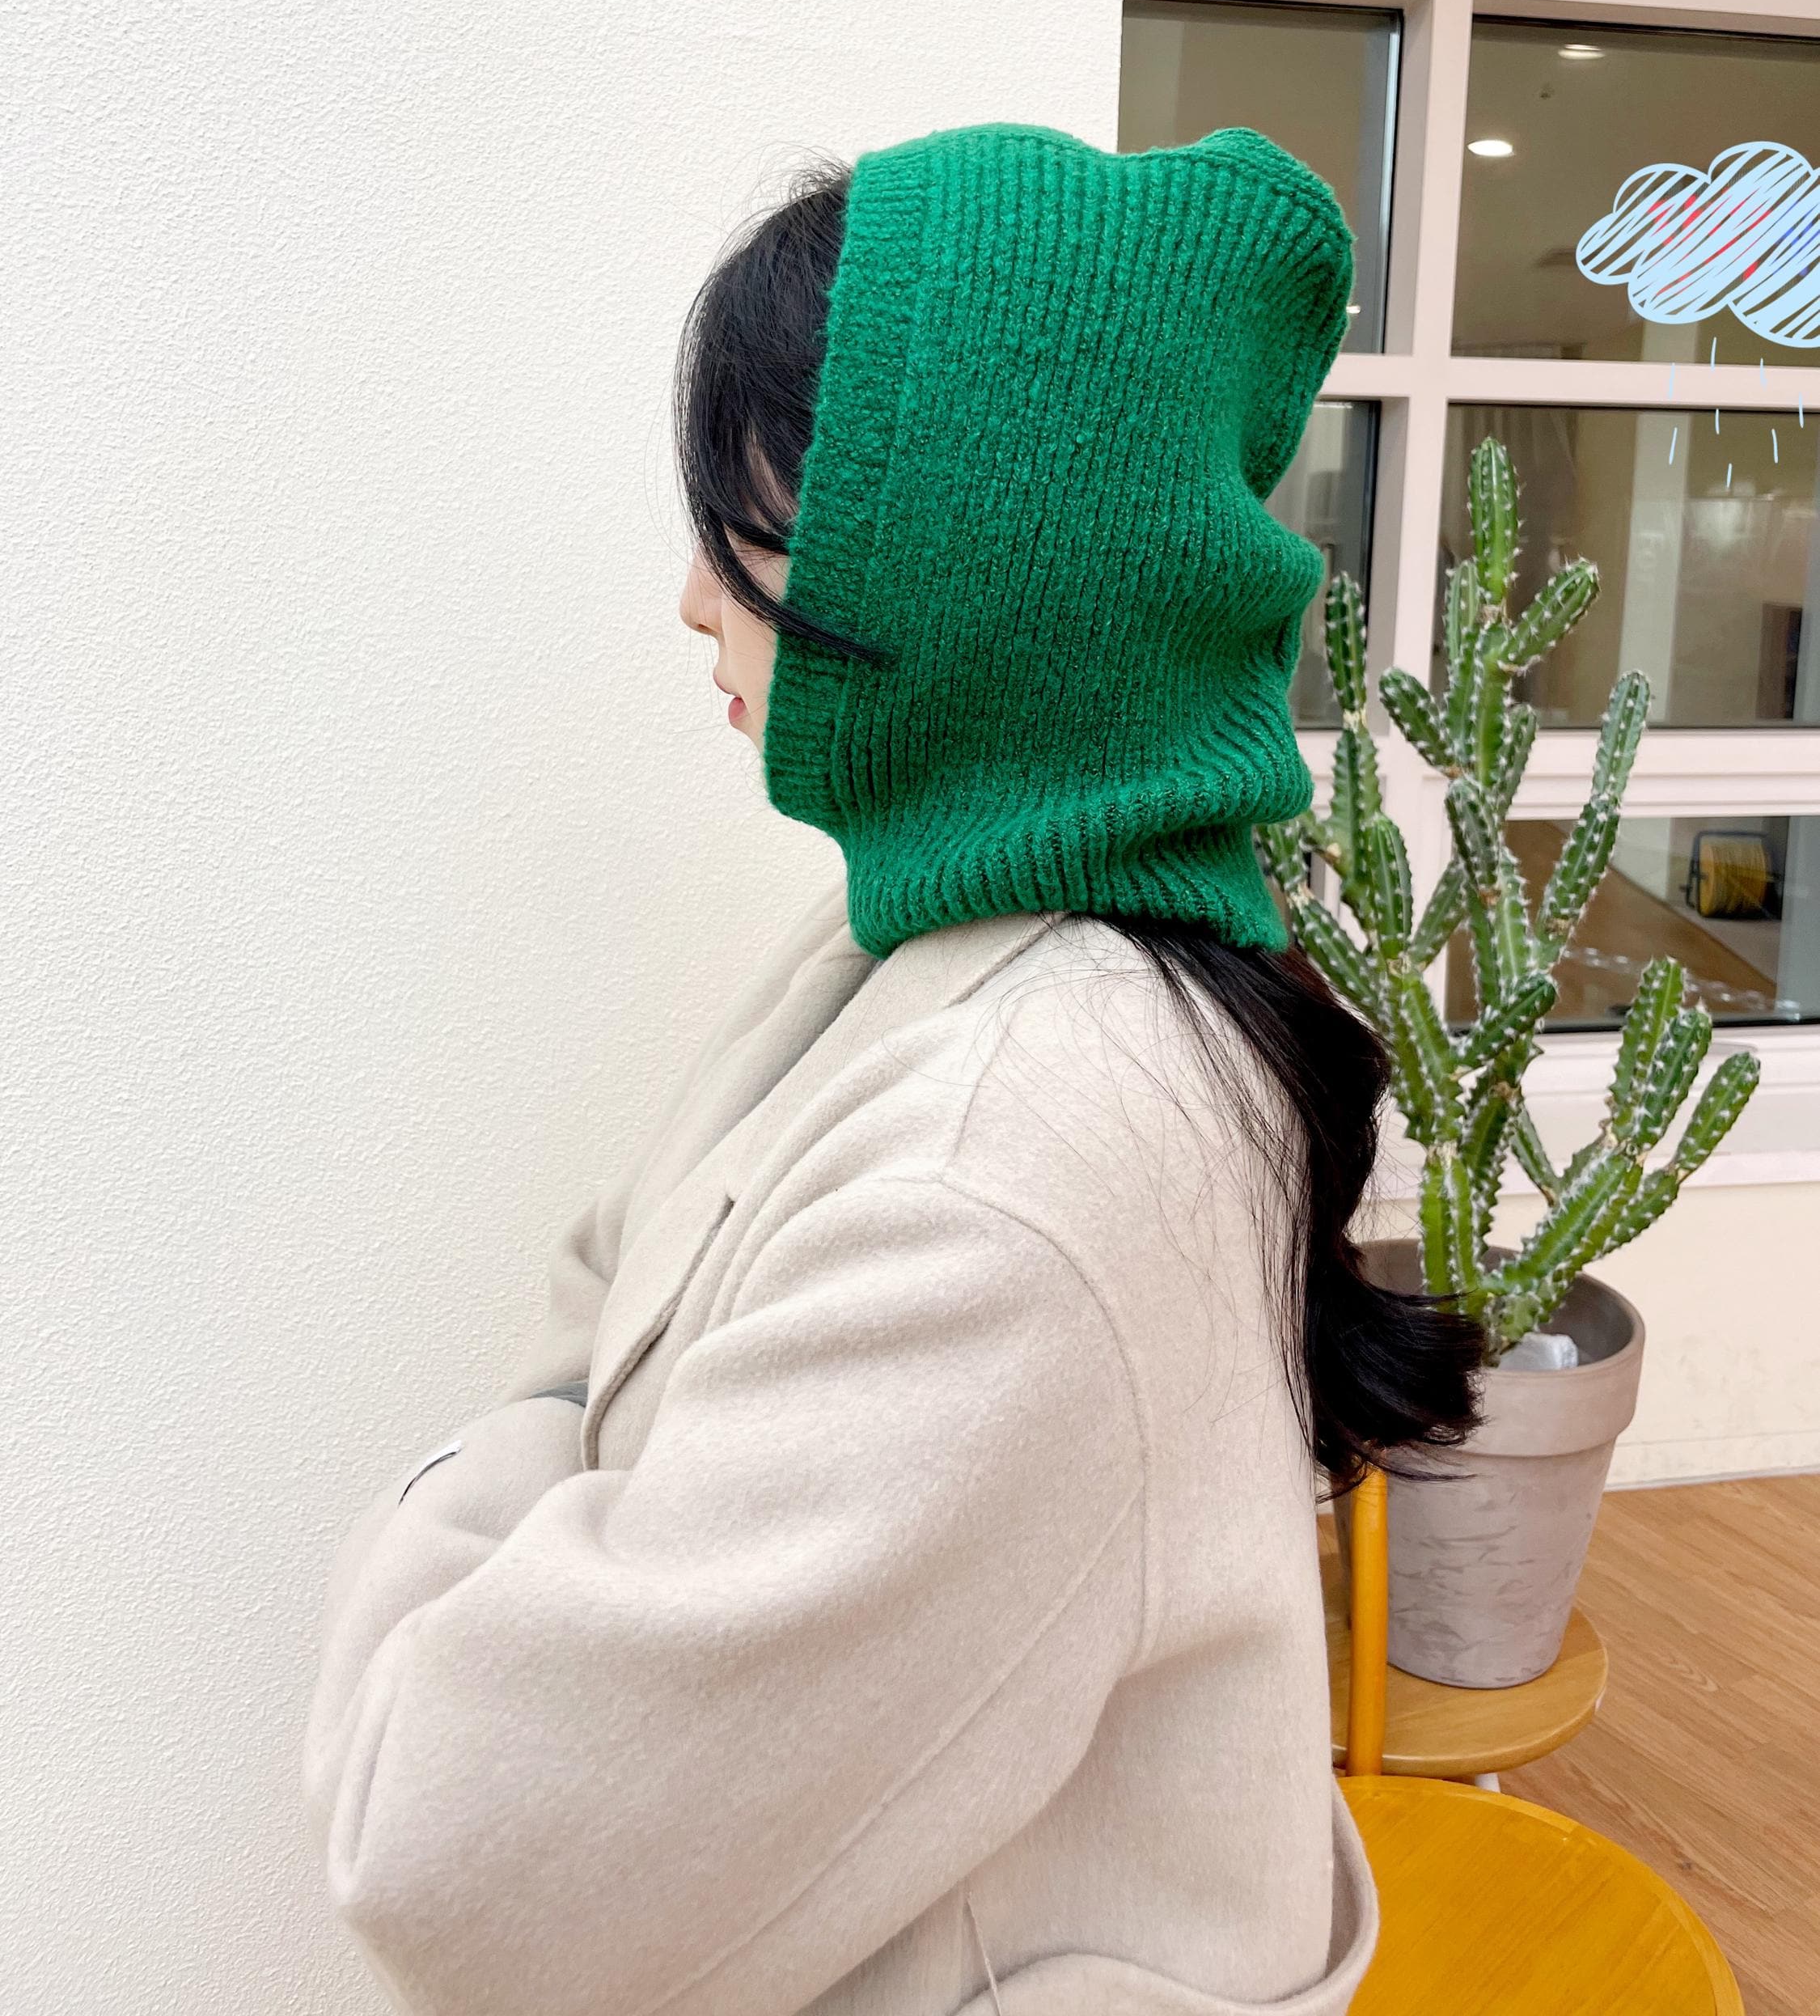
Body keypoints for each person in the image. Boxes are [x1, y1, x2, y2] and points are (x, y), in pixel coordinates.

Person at [303, 123, 1479, 2016]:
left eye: (750, 523)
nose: (696, 598)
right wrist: (577, 1467)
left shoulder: (1003, 1175)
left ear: (956, 566)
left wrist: (482, 1506)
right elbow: (615, 1263)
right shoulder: (928, 945)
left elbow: (446, 1862)